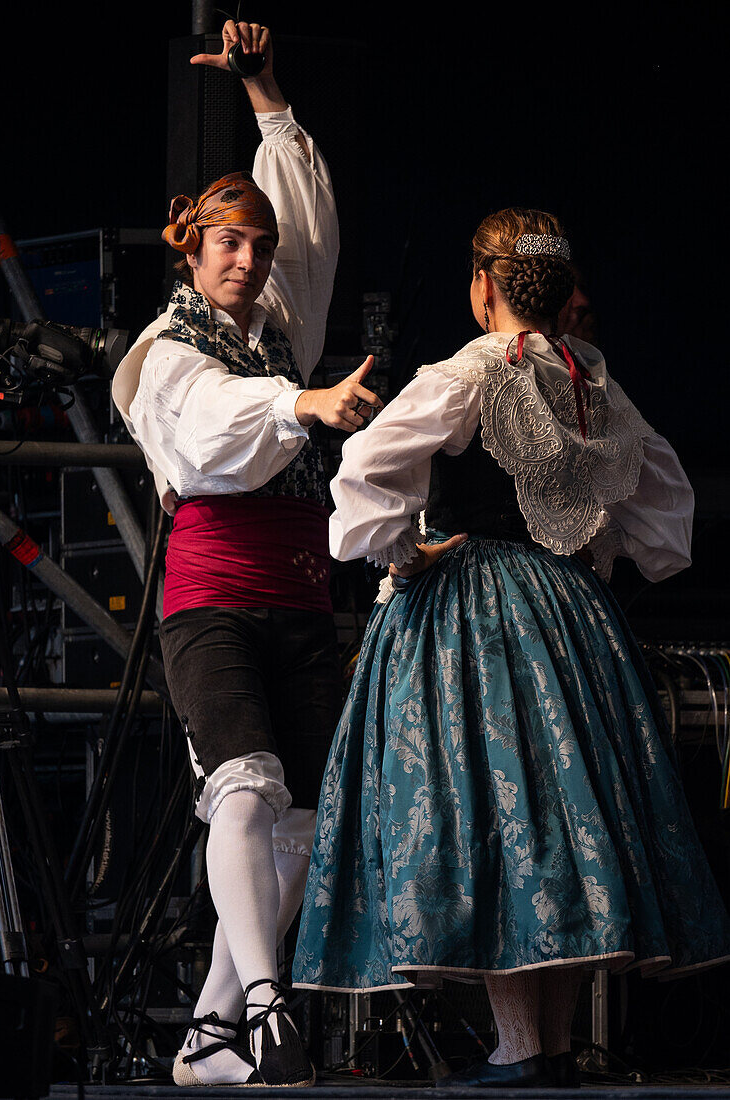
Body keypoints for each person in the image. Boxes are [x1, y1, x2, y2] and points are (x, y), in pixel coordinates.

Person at [292, 207, 730, 1088]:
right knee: (559, 820)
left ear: (483, 288)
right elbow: (667, 523)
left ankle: (524, 1046)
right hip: (572, 613)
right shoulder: (593, 380)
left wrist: (397, 552)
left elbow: (364, 467)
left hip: (475, 606)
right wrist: (591, 548)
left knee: (496, 815)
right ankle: (547, 1045)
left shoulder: (469, 371)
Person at [112, 19, 382, 1088]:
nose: (251, 258)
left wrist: (266, 89)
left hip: (298, 589)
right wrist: (304, 400)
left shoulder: (275, 323)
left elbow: (308, 223)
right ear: (190, 246)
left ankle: (210, 1034)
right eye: (229, 242)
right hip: (213, 590)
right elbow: (216, 431)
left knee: (306, 825)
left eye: (259, 246)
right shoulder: (165, 354)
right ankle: (269, 1002)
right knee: (246, 788)